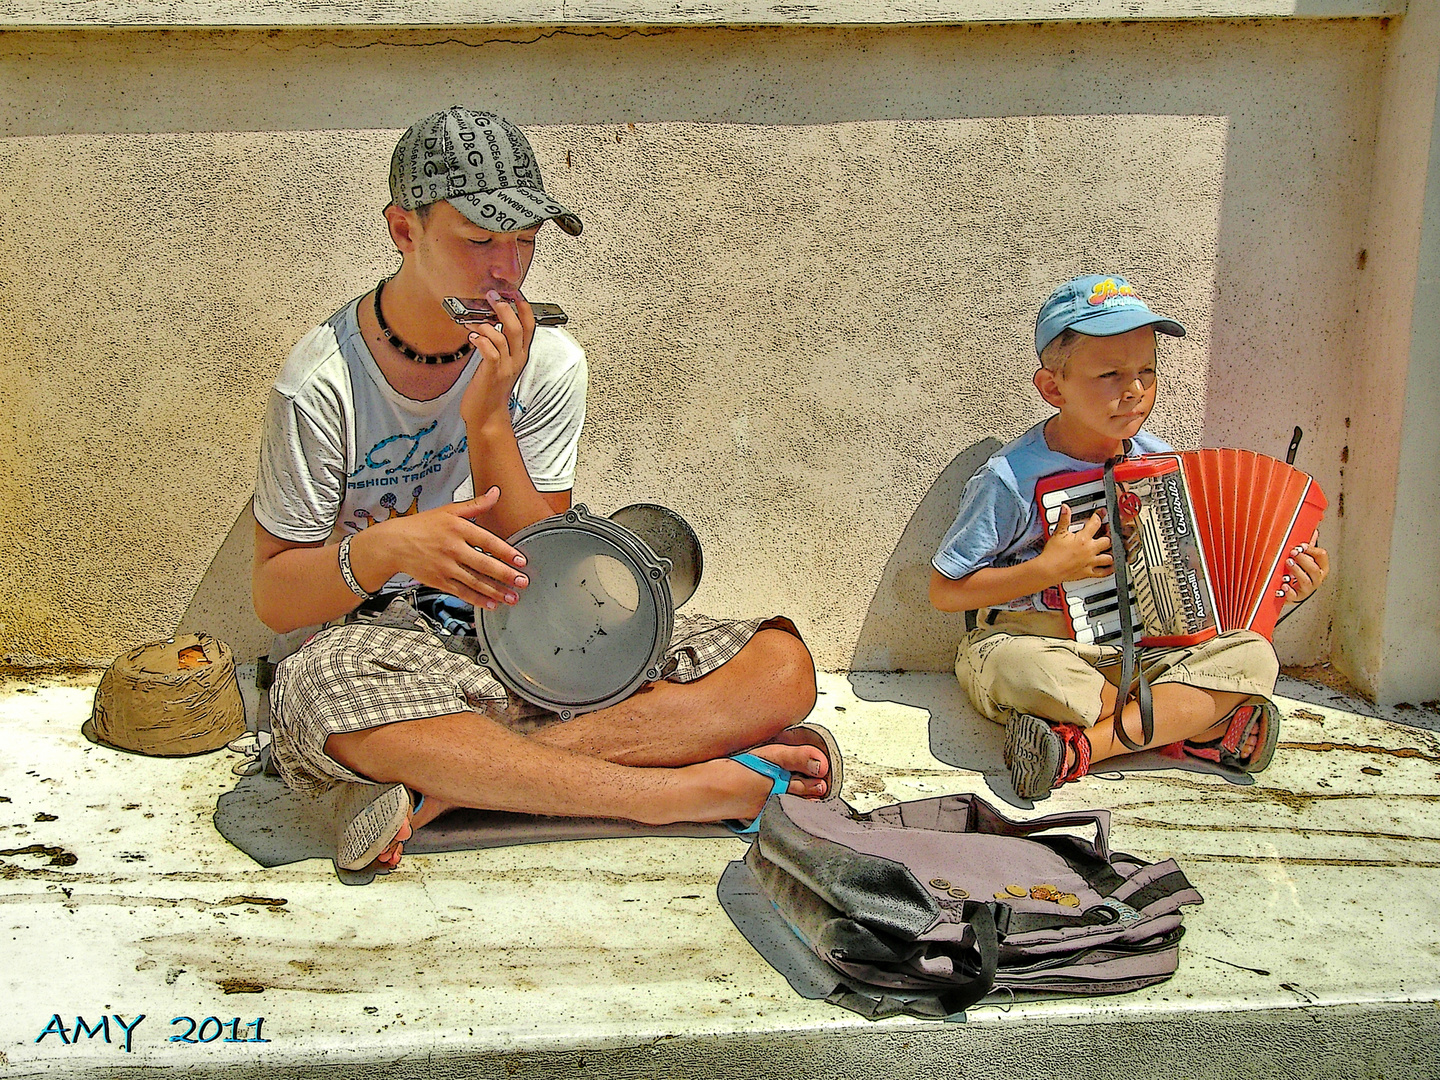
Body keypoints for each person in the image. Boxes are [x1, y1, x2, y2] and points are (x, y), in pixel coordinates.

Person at [252, 107, 829, 872]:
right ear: (403, 231)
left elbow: (550, 570)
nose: (507, 269)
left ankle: (456, 788)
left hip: (533, 640)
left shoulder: (548, 361)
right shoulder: (323, 380)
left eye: (524, 242)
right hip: (390, 655)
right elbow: (277, 598)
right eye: (480, 239)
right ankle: (668, 792)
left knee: (780, 666)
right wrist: (388, 549)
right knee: (316, 690)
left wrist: (489, 418)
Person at [929, 274, 1328, 800]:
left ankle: (1084, 749)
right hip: (1036, 642)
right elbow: (944, 590)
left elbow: (1205, 585)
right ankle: (1197, 728)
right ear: (1053, 388)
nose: (1135, 390)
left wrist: (1282, 587)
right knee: (1028, 674)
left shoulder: (1160, 466)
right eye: (1111, 374)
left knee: (1254, 655)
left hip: (1140, 652)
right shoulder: (1010, 477)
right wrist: (1044, 571)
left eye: (1147, 372)